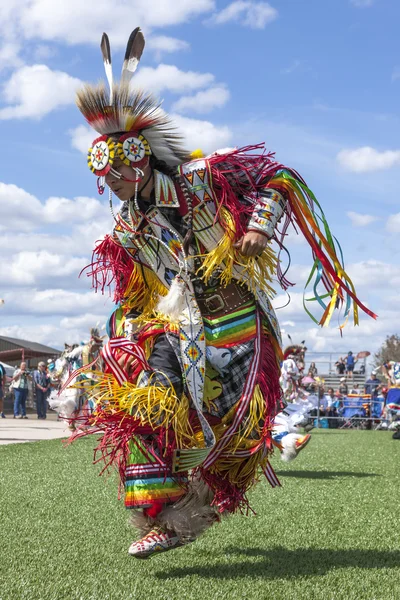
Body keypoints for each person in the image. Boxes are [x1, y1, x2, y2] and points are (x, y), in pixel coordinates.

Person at [70, 27, 376, 558]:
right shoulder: (127, 228)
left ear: (139, 157)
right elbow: (138, 289)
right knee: (141, 402)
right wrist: (129, 325)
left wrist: (258, 225)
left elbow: (275, 175)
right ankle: (162, 516)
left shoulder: (201, 177)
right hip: (183, 328)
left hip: (239, 326)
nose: (109, 180)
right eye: (100, 169)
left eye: (115, 166)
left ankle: (201, 506)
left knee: (236, 437)